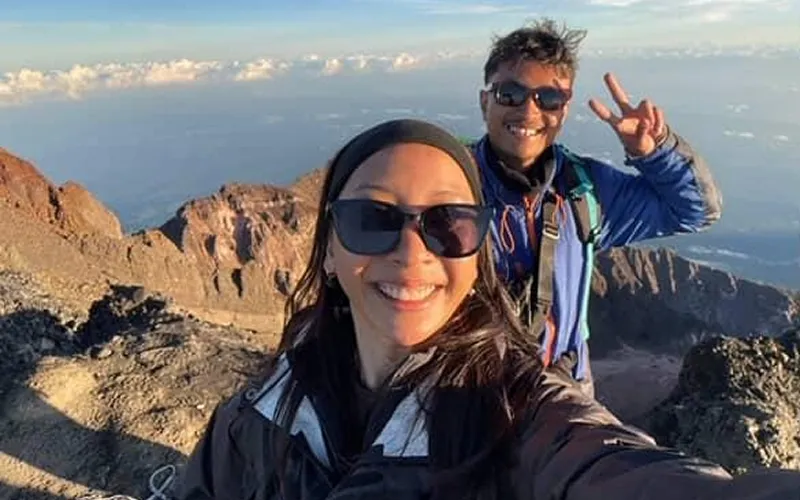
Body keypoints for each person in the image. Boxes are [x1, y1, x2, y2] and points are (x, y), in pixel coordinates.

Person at [175, 118, 799, 500]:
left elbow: (631, 476)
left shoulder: (519, 419)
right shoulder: (261, 408)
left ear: (479, 255)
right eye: (372, 220)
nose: (412, 251)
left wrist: (658, 150)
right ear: (329, 251)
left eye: (450, 224)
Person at [471, 19, 723, 395]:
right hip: (466, 396)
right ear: (485, 100)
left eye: (549, 99)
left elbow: (696, 210)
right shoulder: (447, 183)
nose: (529, 110)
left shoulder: (584, 191)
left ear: (564, 110)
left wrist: (654, 153)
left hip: (561, 393)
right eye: (511, 93)